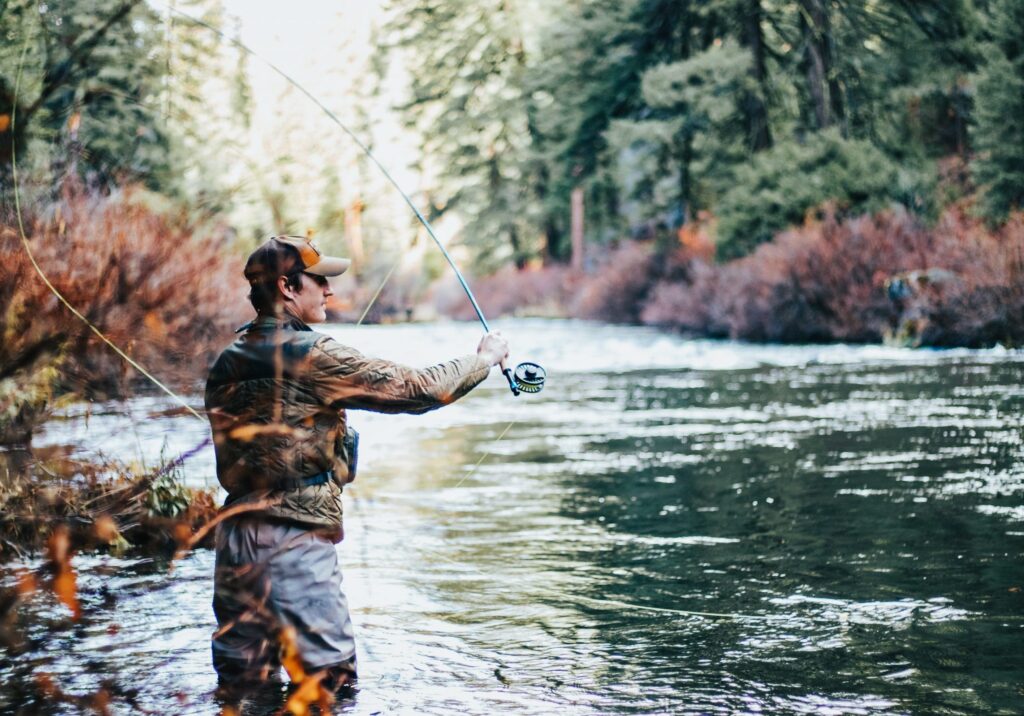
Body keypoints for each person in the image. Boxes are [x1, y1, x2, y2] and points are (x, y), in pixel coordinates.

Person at [204, 235, 508, 694]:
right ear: (287, 287)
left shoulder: (227, 361)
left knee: (243, 692)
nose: (329, 289)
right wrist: (482, 359)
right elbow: (418, 390)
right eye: (319, 280)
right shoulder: (313, 354)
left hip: (234, 544)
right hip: (293, 541)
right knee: (330, 690)